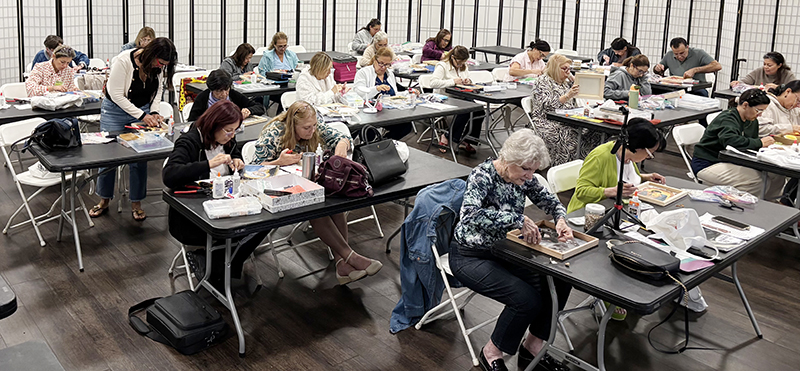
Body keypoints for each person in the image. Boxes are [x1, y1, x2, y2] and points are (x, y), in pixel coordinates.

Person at [449, 129, 573, 371]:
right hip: (469, 254)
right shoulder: (482, 176)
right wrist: (516, 220)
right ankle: (491, 352)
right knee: (525, 299)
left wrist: (560, 218)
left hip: (505, 250)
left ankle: (533, 347)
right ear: (508, 159)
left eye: (534, 170)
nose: (530, 176)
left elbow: (548, 199)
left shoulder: (521, 177)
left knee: (560, 279)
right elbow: (470, 216)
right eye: (526, 169)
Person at [251, 101, 383, 284]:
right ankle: (350, 257)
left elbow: (343, 138)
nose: (312, 131)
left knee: (334, 205)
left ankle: (342, 264)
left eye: (314, 126)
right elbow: (252, 168)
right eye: (306, 128)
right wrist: (278, 162)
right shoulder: (274, 133)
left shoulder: (314, 125)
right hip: (278, 191)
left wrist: (340, 150)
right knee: (317, 210)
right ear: (292, 124)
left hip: (304, 184)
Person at [163, 100, 266, 290]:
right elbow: (169, 175)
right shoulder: (190, 140)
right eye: (228, 130)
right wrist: (208, 165)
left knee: (264, 223)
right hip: (192, 215)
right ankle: (220, 270)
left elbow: (234, 156)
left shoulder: (227, 139)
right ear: (214, 125)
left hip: (225, 204)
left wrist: (237, 161)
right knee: (241, 230)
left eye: (235, 130)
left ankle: (218, 267)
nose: (232, 135)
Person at [89, 37, 177, 221]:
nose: (161, 67)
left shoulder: (158, 67)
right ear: (151, 54)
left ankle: (136, 202)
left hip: (142, 109)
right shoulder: (123, 61)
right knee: (109, 155)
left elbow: (158, 91)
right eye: (160, 62)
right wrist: (143, 116)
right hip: (115, 111)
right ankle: (103, 200)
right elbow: (116, 95)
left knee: (140, 157)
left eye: (165, 64)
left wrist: (153, 112)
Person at [691, 89, 785, 200]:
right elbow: (731, 142)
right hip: (708, 162)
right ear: (745, 105)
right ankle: (747, 208)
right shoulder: (728, 118)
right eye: (758, 110)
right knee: (757, 181)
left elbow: (750, 144)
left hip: (731, 161)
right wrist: (759, 142)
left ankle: (770, 204)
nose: (760, 115)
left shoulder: (752, 121)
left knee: (777, 175)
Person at [568, 118, 666, 214]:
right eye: (650, 153)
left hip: (616, 210)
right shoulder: (600, 156)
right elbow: (581, 191)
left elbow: (622, 178)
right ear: (638, 147)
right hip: (587, 214)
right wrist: (611, 191)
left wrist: (645, 177)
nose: (648, 157)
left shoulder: (628, 156)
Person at [530, 54, 602, 166]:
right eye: (564, 69)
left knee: (594, 132)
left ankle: (588, 164)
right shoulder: (542, 81)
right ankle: (564, 168)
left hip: (568, 118)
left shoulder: (564, 83)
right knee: (569, 136)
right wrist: (567, 96)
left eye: (569, 69)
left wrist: (575, 81)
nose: (568, 72)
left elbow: (573, 103)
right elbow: (547, 106)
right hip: (546, 121)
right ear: (554, 68)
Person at [429, 46, 485, 154]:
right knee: (465, 110)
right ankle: (447, 136)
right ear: (453, 58)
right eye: (459, 63)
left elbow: (466, 77)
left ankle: (467, 139)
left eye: (463, 63)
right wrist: (453, 81)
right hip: (444, 97)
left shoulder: (464, 66)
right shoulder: (442, 66)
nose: (461, 65)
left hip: (461, 95)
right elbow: (433, 83)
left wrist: (468, 81)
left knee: (479, 110)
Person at [756, 81, 800, 206]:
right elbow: (760, 129)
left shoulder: (793, 109)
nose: (797, 105)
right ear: (788, 92)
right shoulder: (768, 105)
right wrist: (789, 128)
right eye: (798, 100)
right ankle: (784, 203)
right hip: (770, 152)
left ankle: (786, 203)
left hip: (788, 151)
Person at [353, 47, 412, 140]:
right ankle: (374, 146)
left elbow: (395, 94)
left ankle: (385, 142)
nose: (383, 67)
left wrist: (408, 93)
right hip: (370, 113)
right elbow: (359, 92)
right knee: (369, 131)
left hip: (389, 112)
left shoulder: (389, 74)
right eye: (381, 63)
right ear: (375, 60)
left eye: (387, 64)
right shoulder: (363, 72)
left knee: (406, 126)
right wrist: (376, 88)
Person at [187, 69, 265, 122]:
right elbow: (192, 121)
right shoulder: (203, 98)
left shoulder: (233, 95)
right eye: (219, 91)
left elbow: (259, 107)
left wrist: (249, 111)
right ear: (212, 90)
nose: (224, 94)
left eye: (226, 89)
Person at [653, 37, 721, 96]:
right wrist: (657, 68)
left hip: (695, 88)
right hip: (676, 88)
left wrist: (695, 70)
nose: (679, 56)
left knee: (701, 94)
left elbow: (717, 66)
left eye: (682, 53)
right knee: (656, 91)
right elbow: (658, 71)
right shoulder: (669, 55)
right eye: (676, 54)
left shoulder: (698, 53)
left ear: (687, 47)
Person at [731, 52, 796, 90]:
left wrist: (778, 87)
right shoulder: (759, 71)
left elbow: (795, 89)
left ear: (779, 65)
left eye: (769, 65)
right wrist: (737, 83)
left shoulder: (787, 74)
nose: (766, 67)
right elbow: (745, 82)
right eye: (764, 64)